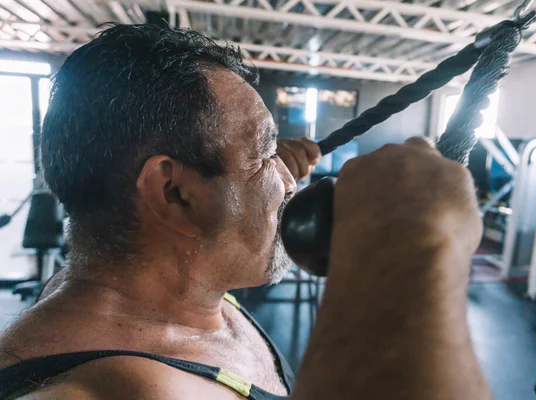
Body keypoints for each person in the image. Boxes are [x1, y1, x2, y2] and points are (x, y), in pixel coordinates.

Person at [0, 24, 489, 400]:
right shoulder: (92, 390)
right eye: (265, 152)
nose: (287, 181)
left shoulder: (160, 290)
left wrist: (258, 168)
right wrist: (415, 247)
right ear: (173, 191)